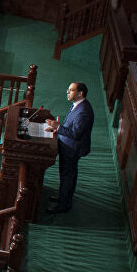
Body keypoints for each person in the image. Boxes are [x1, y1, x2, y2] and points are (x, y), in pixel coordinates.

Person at [45, 82, 95, 214]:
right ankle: (62, 197)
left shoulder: (83, 111)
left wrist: (58, 127)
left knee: (68, 177)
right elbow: (70, 126)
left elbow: (76, 134)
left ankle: (64, 205)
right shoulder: (77, 105)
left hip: (72, 150)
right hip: (67, 147)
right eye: (68, 89)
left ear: (80, 93)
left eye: (71, 90)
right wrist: (57, 129)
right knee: (65, 175)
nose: (67, 92)